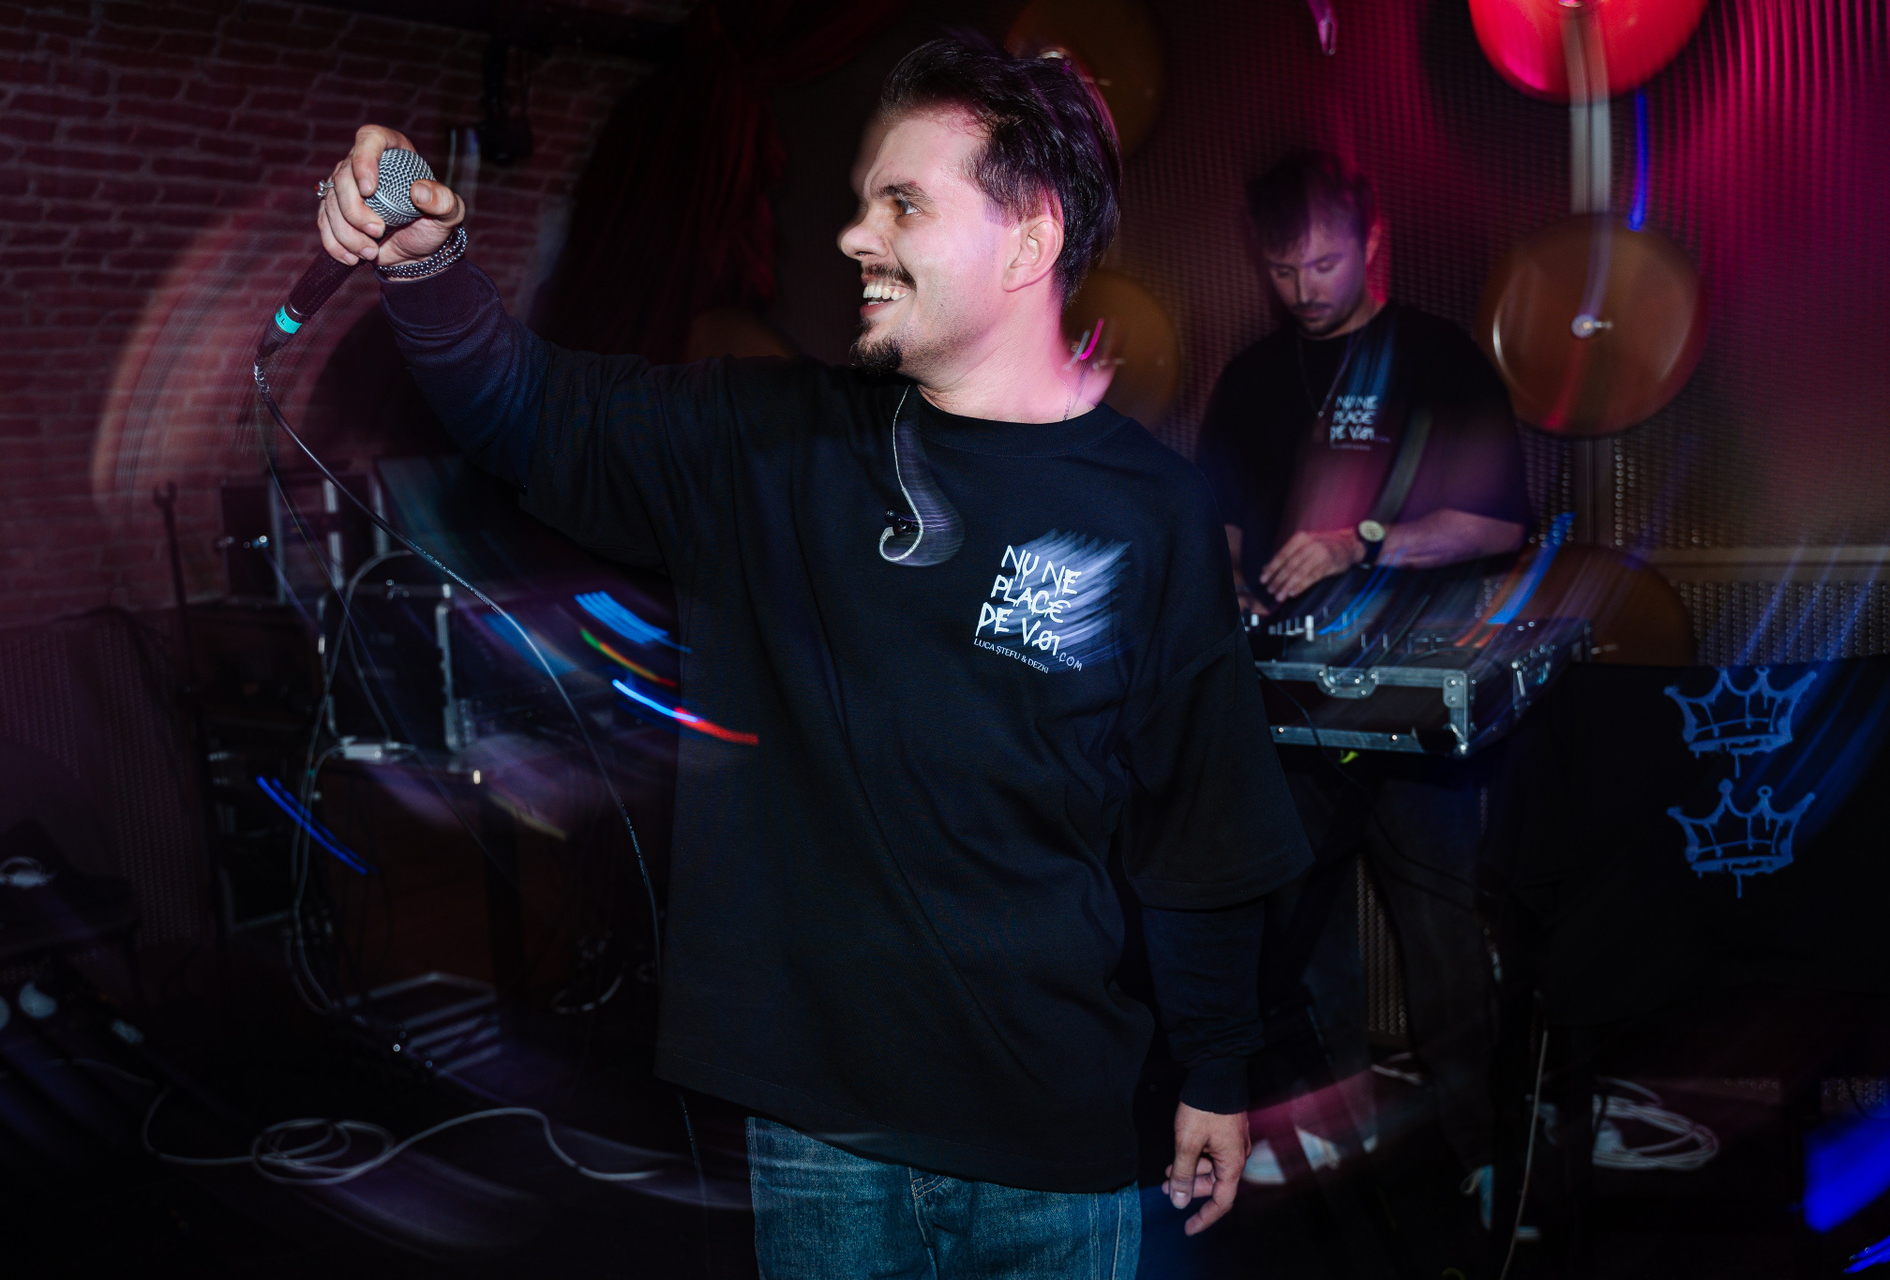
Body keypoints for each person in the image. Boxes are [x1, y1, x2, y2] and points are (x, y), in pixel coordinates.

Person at [315, 38, 1310, 1280]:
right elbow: (530, 408)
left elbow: (1200, 825)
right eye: (858, 200)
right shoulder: (772, 444)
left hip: (1052, 1138)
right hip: (821, 1135)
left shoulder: (1149, 511)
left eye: (902, 203)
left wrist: (1216, 1067)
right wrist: (426, 265)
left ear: (1027, 243)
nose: (852, 235)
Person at [1195, 150, 1531, 1224]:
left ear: (1371, 238)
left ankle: (1484, 1150)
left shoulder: (1438, 357)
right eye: (1283, 267)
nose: (1304, 287)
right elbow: (1220, 531)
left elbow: (1500, 523)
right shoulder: (1252, 377)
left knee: (1441, 942)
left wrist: (1364, 538)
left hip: (1417, 707)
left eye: (1325, 262)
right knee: (1305, 941)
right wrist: (1226, 589)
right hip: (1292, 708)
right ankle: (1342, 1144)